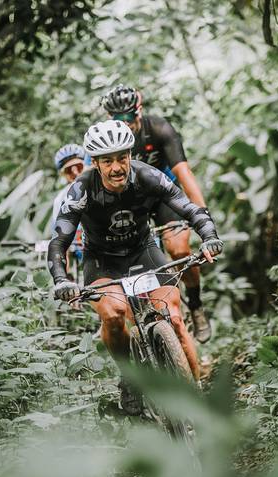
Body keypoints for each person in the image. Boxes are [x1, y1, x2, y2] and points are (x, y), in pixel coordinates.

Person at [48, 120, 223, 415]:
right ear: (96, 163)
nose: (117, 167)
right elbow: (59, 241)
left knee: (174, 318)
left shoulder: (146, 175)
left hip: (144, 250)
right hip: (102, 261)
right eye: (107, 161)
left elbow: (189, 208)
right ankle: (129, 376)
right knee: (113, 314)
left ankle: (196, 397)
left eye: (122, 158)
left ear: (130, 155)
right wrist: (61, 279)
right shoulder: (80, 189)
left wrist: (209, 236)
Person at [101, 84, 213, 343]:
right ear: (109, 118)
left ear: (139, 111)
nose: (125, 123)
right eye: (118, 118)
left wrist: (203, 215)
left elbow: (184, 173)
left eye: (129, 116)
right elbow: (91, 182)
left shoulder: (159, 129)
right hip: (128, 204)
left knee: (179, 249)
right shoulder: (105, 139)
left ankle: (195, 304)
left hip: (163, 196)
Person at [50, 144, 87, 277]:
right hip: (77, 249)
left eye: (79, 167)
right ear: (63, 175)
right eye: (69, 170)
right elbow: (58, 237)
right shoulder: (60, 199)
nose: (75, 173)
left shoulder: (99, 187)